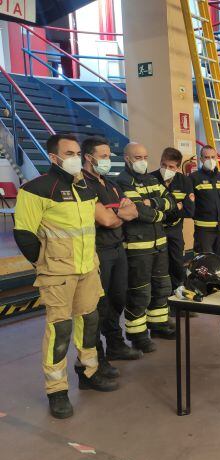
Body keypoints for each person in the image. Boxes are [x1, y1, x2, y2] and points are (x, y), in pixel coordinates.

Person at [14, 134, 119, 419]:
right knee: (59, 330)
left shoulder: (85, 187)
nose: (74, 157)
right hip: (57, 273)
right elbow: (24, 233)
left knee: (89, 322)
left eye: (76, 151)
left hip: (87, 268)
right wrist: (45, 263)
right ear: (54, 157)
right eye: (69, 152)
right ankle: (57, 390)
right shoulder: (36, 189)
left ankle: (88, 372)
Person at [82, 137, 142, 375]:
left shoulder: (110, 184)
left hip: (118, 249)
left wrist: (116, 212)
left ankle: (115, 345)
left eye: (108, 156)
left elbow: (133, 210)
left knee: (118, 299)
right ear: (89, 157)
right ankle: (97, 357)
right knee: (99, 305)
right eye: (104, 156)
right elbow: (107, 220)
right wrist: (120, 212)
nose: (108, 160)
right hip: (99, 252)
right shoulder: (84, 186)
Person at [117, 142, 177, 353]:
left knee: (162, 287)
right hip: (137, 246)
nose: (142, 162)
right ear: (127, 158)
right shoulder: (122, 181)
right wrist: (158, 211)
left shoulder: (152, 178)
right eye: (137, 158)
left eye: (145, 157)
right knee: (140, 292)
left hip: (159, 244)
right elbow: (137, 212)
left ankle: (158, 325)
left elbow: (171, 202)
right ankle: (138, 335)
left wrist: (152, 205)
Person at [151, 147, 195, 290]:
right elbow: (148, 209)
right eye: (163, 165)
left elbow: (189, 210)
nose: (166, 169)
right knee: (158, 263)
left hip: (175, 230)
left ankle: (178, 291)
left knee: (177, 262)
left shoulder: (185, 181)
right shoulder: (151, 179)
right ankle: (160, 294)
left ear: (177, 168)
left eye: (171, 166)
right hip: (155, 230)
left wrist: (166, 208)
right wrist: (177, 207)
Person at [189, 145, 220, 255]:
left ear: (217, 158)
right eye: (207, 157)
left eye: (213, 157)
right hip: (203, 230)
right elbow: (190, 203)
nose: (210, 160)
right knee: (205, 260)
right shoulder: (194, 178)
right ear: (201, 159)